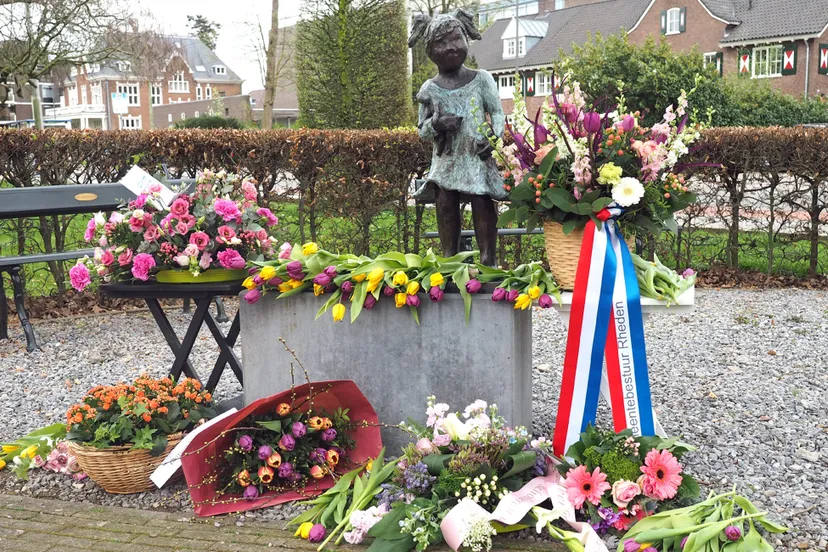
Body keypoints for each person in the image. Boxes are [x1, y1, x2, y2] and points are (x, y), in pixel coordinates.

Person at [410, 9, 506, 267]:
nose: (451, 48)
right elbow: (422, 130)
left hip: (476, 156)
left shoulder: (482, 79)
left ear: (466, 39)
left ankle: (488, 261)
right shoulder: (429, 89)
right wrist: (436, 124)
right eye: (441, 43)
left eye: (456, 38)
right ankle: (449, 260)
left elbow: (497, 114)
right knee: (445, 204)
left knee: (482, 201)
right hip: (447, 160)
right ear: (429, 51)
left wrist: (494, 138)